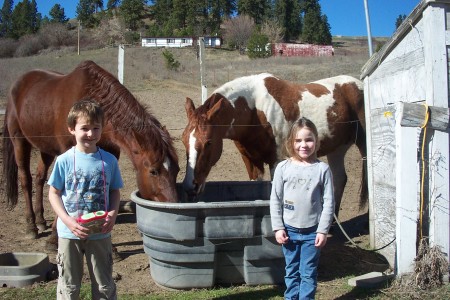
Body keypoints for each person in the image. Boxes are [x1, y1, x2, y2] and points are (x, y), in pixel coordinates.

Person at [48, 99, 123, 300]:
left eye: (96, 128)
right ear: (72, 129)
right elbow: (53, 193)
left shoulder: (109, 160)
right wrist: (68, 222)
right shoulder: (63, 161)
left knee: (104, 284)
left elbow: (115, 191)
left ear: (102, 129)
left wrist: (113, 215)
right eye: (85, 128)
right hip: (69, 234)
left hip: (100, 234)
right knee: (69, 286)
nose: (91, 133)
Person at [270, 117, 335, 300]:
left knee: (308, 273)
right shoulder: (283, 168)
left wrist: (323, 231)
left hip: (312, 233)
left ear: (316, 141)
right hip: (289, 231)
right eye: (298, 140)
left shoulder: (322, 169)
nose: (303, 145)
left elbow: (329, 202)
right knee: (291, 271)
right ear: (291, 142)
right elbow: (275, 199)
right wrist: (278, 227)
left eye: (309, 139)